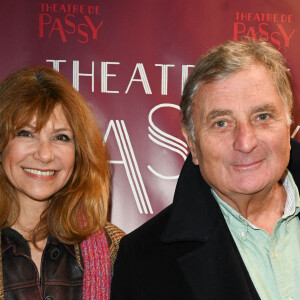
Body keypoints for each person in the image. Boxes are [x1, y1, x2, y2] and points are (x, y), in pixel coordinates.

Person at [111, 38, 300, 299]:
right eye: (221, 123)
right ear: (193, 144)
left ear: (288, 123)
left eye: (262, 117)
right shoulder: (144, 259)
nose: (245, 142)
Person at [0, 66, 124, 299]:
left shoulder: (116, 249)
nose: (45, 154)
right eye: (26, 133)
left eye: (61, 137)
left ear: (79, 152)